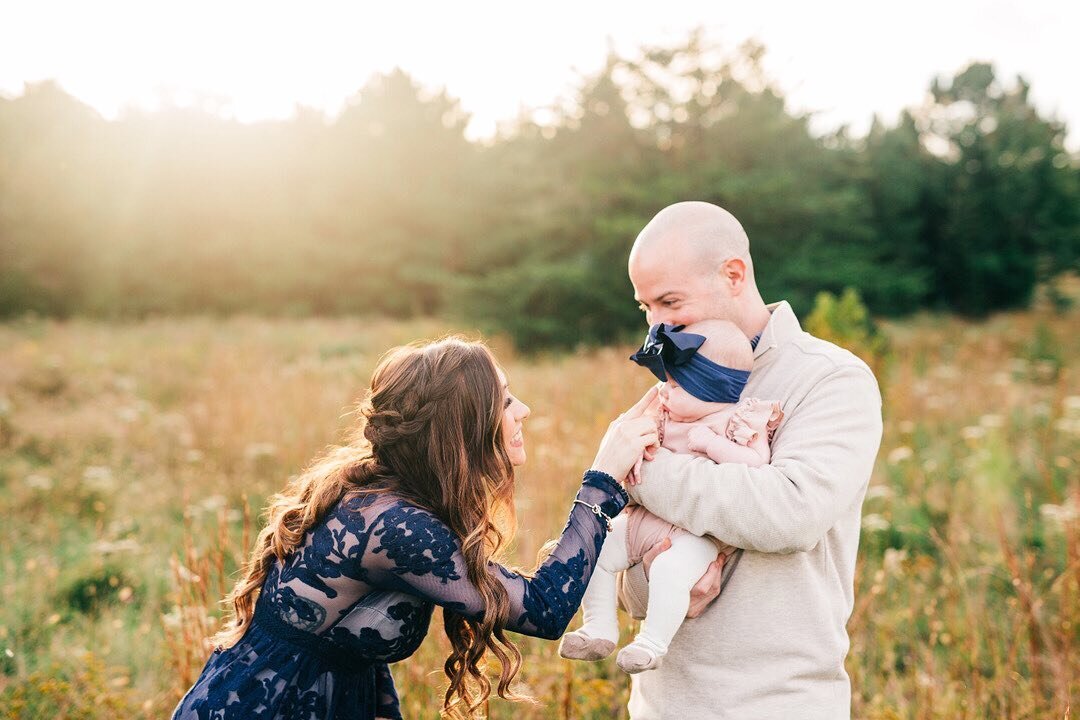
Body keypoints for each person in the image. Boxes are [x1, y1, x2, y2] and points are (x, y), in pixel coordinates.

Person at [171, 336, 660, 720]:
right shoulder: (394, 526)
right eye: (506, 400)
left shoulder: (388, 495)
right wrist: (601, 480)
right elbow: (545, 610)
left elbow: (342, 645)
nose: (523, 411)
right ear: (462, 424)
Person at [618, 201, 883, 719]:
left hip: (778, 704)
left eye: (670, 301)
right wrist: (653, 579)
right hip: (661, 706)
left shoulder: (831, 379)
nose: (657, 327)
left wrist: (639, 464)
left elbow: (790, 511)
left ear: (734, 274)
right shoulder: (674, 382)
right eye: (645, 308)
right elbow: (627, 564)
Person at [558, 319, 782, 674]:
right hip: (643, 521)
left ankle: (651, 643)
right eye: (664, 381)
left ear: (712, 389)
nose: (663, 390)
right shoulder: (663, 412)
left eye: (675, 384)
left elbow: (757, 464)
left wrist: (713, 444)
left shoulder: (737, 419)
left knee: (670, 570)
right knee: (596, 545)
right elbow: (631, 441)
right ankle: (598, 626)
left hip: (693, 536)